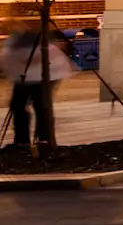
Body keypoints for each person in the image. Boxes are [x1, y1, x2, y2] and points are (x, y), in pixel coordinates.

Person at [2, 23, 78, 154]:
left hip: (41, 74)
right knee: (23, 105)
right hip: (29, 75)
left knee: (38, 105)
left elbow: (16, 59)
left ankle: (40, 140)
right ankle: (27, 140)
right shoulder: (18, 39)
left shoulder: (29, 39)